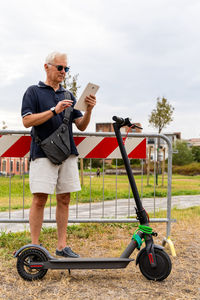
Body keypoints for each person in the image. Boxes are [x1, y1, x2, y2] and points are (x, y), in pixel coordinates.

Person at [21, 51, 96, 258]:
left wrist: (89, 110)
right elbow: (27, 121)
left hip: (67, 153)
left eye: (66, 68)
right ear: (47, 67)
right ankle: (35, 247)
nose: (64, 72)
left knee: (64, 198)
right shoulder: (33, 92)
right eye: (60, 68)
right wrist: (54, 110)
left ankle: (62, 246)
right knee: (39, 199)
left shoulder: (69, 95)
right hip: (42, 152)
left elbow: (80, 126)